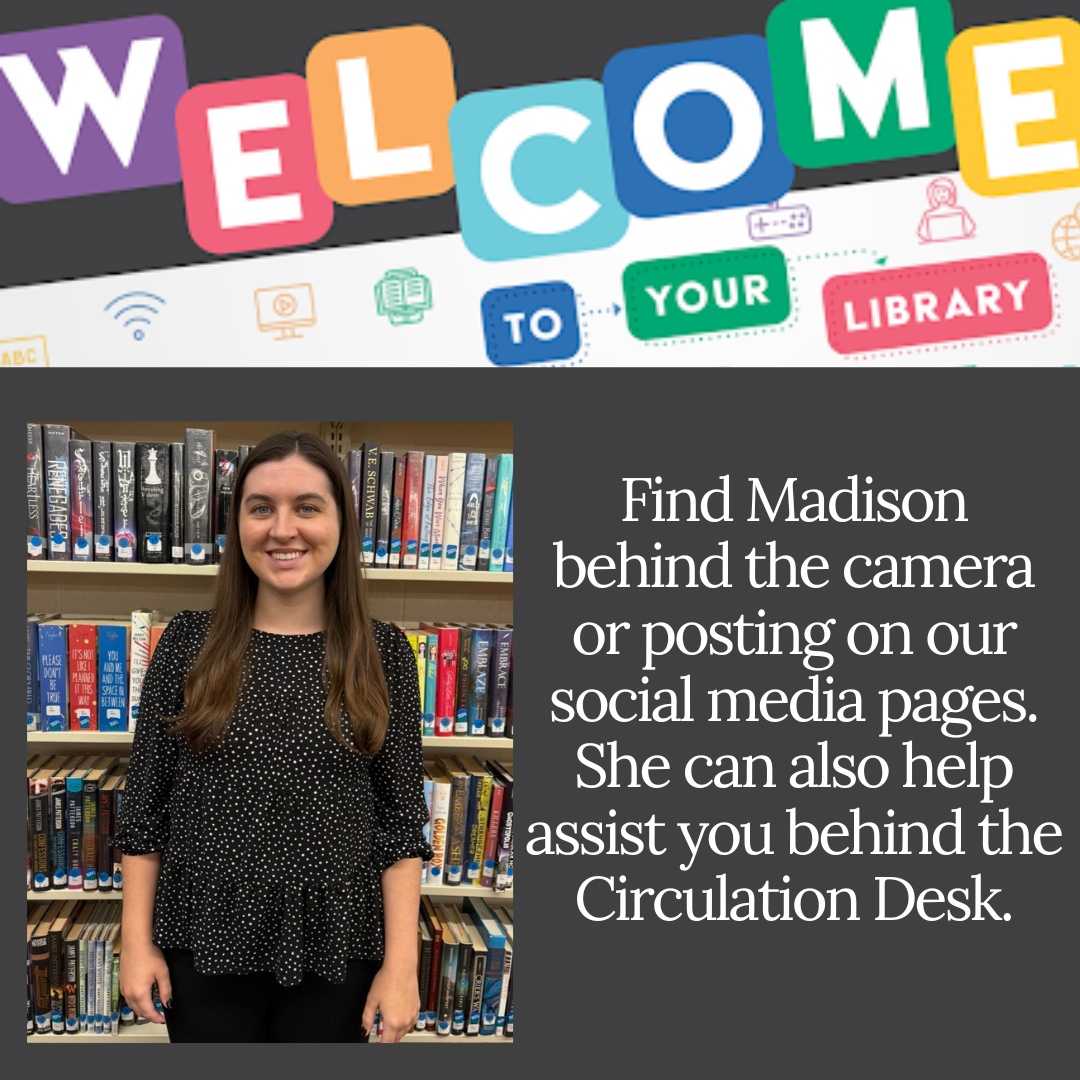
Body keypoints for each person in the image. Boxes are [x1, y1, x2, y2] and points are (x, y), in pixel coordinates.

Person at [116, 431, 433, 1043]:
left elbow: (399, 824)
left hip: (337, 944)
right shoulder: (186, 643)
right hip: (201, 937)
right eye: (261, 507)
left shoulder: (384, 652)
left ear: (341, 522)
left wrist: (402, 966)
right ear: (237, 524)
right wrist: (135, 943)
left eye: (307, 507)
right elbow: (145, 811)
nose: (282, 529)